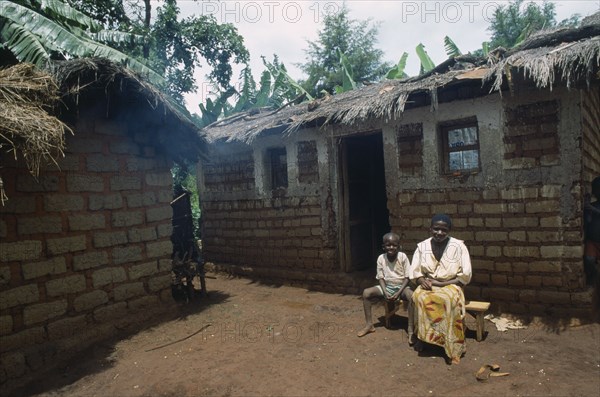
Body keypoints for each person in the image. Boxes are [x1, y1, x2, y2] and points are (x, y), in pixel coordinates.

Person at [409, 214, 472, 364]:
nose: (439, 233)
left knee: (447, 300)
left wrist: (443, 284)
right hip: (429, 283)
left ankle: (452, 345)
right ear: (430, 228)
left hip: (451, 284)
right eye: (436, 229)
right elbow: (414, 271)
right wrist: (421, 280)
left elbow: (465, 275)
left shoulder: (458, 246)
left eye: (443, 230)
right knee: (419, 297)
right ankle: (423, 338)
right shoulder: (422, 247)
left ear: (449, 230)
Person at [357, 232, 415, 342]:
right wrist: (385, 291)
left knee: (412, 296)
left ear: (399, 246)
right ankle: (369, 325)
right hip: (387, 286)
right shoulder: (381, 258)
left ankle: (411, 330)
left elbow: (407, 278)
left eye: (394, 245)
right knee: (366, 293)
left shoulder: (402, 257)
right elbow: (381, 278)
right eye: (388, 245)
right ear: (383, 246)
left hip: (401, 287)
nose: (391, 247)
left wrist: (398, 293)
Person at [584, 176, 600, 287]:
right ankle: (593, 277)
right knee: (589, 260)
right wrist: (587, 210)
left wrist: (593, 210)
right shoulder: (593, 206)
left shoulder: (594, 208)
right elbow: (588, 221)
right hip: (593, 242)